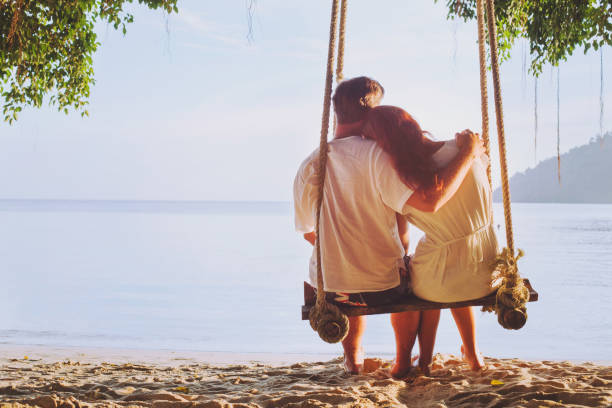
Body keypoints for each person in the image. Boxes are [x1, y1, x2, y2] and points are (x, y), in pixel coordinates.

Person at [293, 77, 485, 375]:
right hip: (384, 289)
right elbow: (427, 203)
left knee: (353, 277)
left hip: (330, 289)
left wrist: (343, 250)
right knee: (410, 279)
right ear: (370, 111)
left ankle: (354, 357)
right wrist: (466, 153)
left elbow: (308, 231)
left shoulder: (310, 164)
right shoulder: (380, 158)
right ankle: (403, 361)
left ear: (336, 113)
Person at [362, 105, 499, 373]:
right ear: (413, 125)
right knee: (445, 261)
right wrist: (469, 151)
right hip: (489, 271)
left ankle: (415, 362)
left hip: (443, 279)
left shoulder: (401, 182)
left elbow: (402, 240)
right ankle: (472, 354)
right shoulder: (468, 150)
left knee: (419, 274)